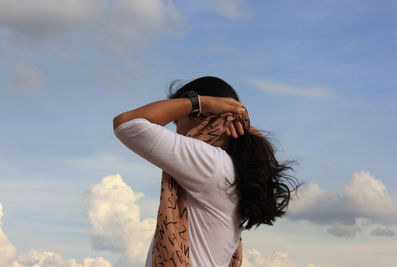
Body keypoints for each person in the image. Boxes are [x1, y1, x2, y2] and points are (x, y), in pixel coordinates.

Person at [113, 76, 299, 267]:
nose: (177, 131)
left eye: (177, 122)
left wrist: (197, 102)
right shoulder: (230, 166)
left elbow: (127, 124)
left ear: (199, 115)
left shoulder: (210, 162)